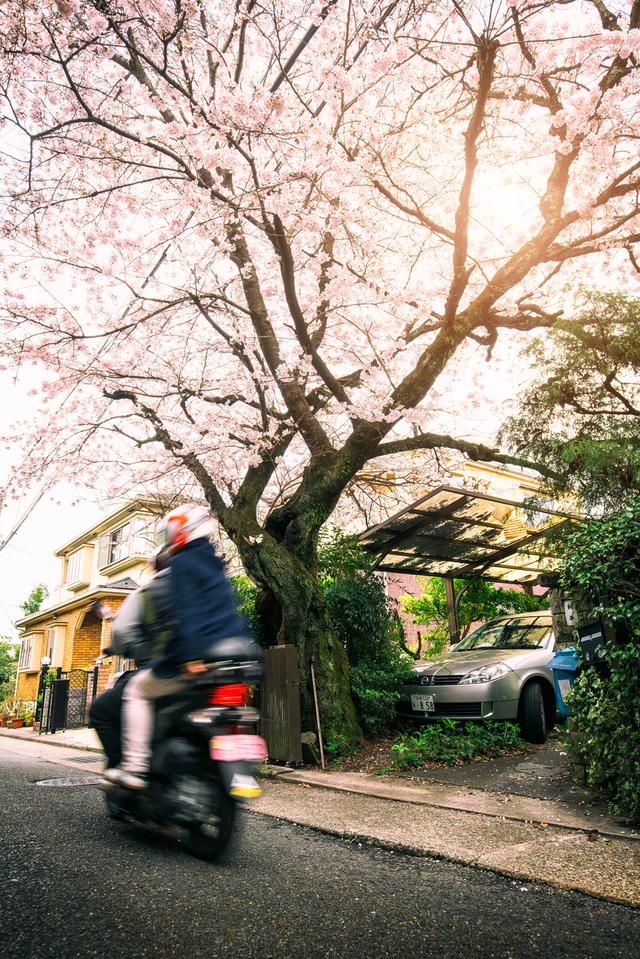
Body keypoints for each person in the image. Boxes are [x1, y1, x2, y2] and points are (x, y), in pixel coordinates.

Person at [104, 503, 247, 789]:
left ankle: (135, 767)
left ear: (181, 531)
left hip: (193, 659)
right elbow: (229, 612)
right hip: (231, 657)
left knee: (136, 691)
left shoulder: (182, 563)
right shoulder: (216, 563)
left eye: (170, 532)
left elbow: (188, 611)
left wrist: (192, 656)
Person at [89, 548, 172, 768]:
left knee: (100, 710)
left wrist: (120, 647)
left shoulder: (145, 594)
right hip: (205, 674)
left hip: (159, 673)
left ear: (155, 566)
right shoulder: (204, 590)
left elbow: (122, 632)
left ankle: (125, 767)